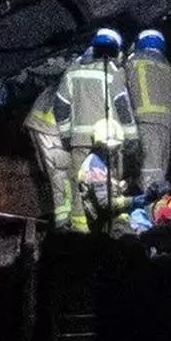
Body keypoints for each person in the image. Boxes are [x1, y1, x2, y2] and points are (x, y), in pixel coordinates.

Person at [54, 28, 138, 229]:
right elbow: (123, 107)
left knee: (80, 190)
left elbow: (60, 106)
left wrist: (66, 135)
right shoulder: (113, 73)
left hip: (79, 142)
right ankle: (108, 232)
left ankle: (79, 234)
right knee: (110, 188)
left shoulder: (72, 71)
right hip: (109, 142)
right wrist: (132, 137)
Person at [126, 28, 171, 198]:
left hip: (138, 123)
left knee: (144, 178)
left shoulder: (132, 63)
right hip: (165, 129)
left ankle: (151, 212)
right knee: (157, 174)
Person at [23, 82, 75, 230]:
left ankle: (63, 215)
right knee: (61, 172)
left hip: (43, 123)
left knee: (55, 172)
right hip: (49, 128)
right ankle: (64, 220)